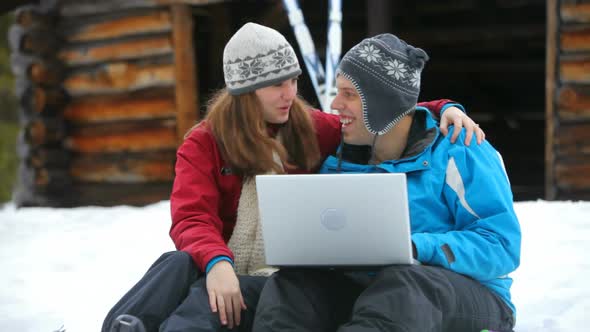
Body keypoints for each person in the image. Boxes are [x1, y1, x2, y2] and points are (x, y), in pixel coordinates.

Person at [102, 23, 485, 332]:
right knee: (177, 263)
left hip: (279, 274)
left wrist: (443, 107)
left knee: (208, 293)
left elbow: (377, 112)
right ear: (245, 92)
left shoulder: (308, 127)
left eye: (293, 80)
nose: (290, 94)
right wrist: (219, 265)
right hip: (221, 260)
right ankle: (126, 326)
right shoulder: (204, 143)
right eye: (276, 85)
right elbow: (192, 217)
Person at [252, 33, 521, 332]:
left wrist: (417, 247)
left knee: (405, 283)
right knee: (292, 286)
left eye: (349, 94)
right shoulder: (340, 159)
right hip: (372, 292)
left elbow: (502, 246)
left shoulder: (461, 149)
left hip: (467, 298)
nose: (335, 103)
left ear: (382, 104)